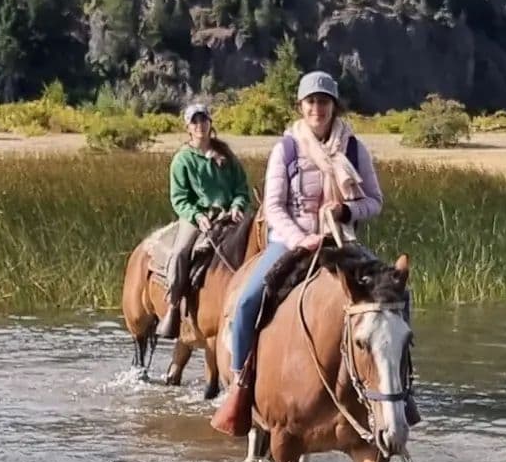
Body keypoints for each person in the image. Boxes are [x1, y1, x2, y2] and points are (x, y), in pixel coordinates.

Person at [225, 70, 384, 385]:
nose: (317, 109)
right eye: (311, 101)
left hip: (341, 241)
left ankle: (397, 383)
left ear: (333, 106)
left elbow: (375, 201)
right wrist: (301, 239)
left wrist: (346, 209)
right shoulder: (286, 149)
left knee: (395, 295)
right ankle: (239, 382)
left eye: (323, 101)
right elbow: (272, 207)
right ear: (301, 106)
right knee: (247, 301)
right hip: (290, 240)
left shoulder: (354, 149)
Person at [158, 103, 251, 340]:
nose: (200, 125)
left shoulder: (226, 156)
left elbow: (241, 187)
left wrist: (238, 206)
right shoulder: (182, 160)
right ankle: (174, 303)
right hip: (198, 217)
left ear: (210, 123)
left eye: (204, 120)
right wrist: (197, 216)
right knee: (180, 252)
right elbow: (179, 198)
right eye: (195, 121)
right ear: (188, 127)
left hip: (228, 216)